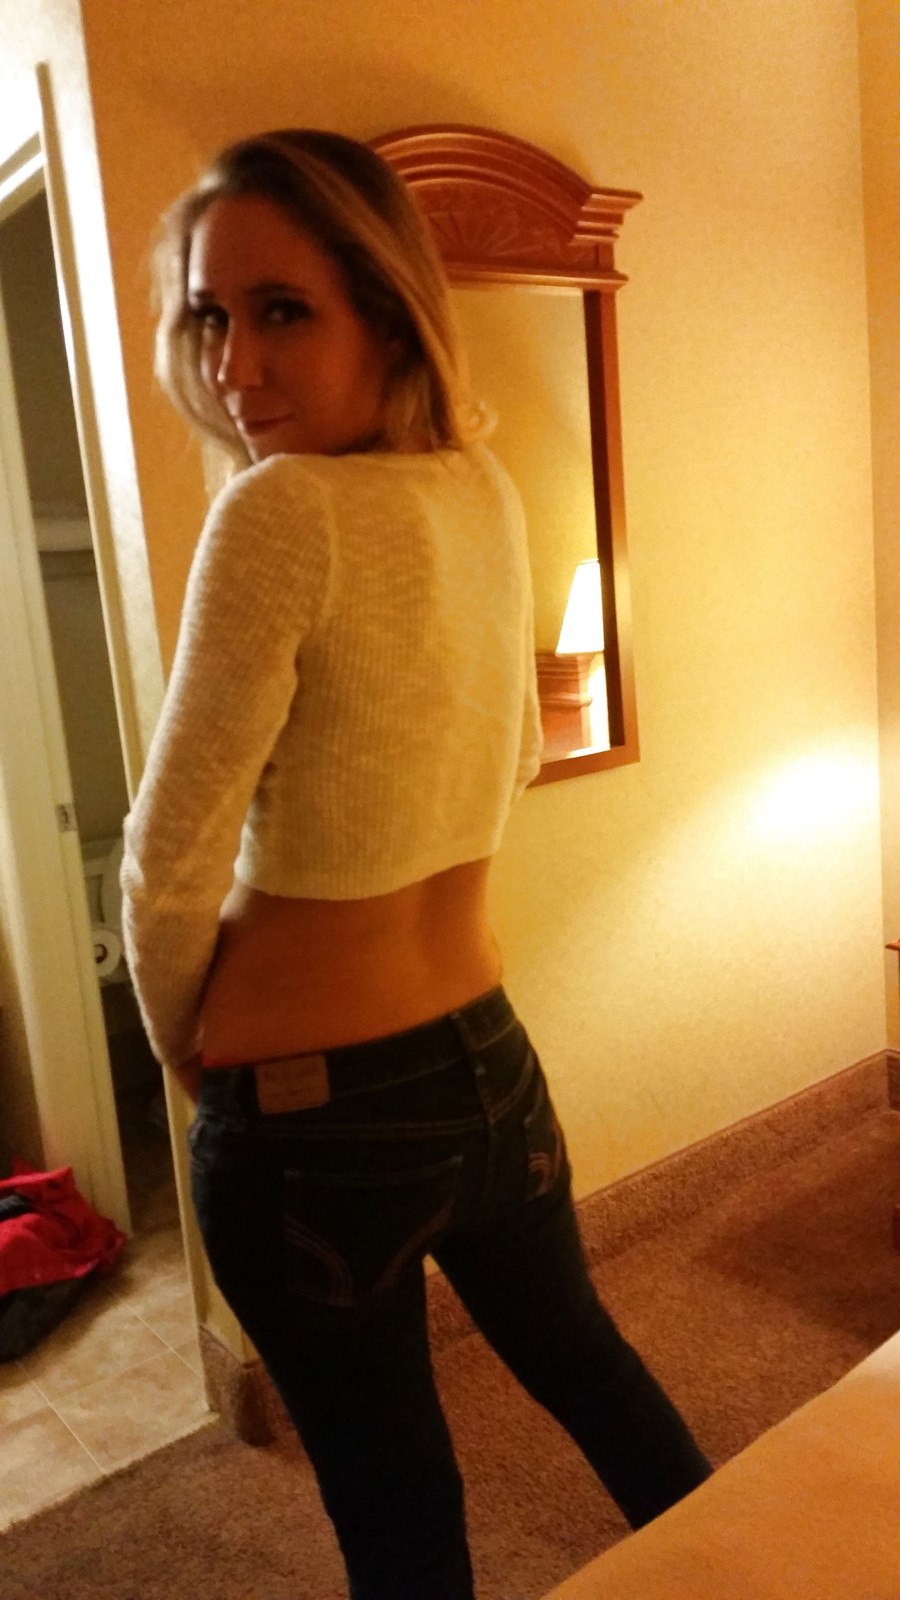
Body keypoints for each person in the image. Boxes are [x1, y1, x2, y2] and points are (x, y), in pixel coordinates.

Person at [122, 128, 711, 1600]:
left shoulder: (277, 513)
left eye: (282, 310)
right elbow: (511, 754)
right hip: (488, 1066)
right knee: (595, 1375)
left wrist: (186, 1051)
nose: (237, 365)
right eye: (212, 316)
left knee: (397, 1501)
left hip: (313, 1117)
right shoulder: (482, 489)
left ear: (387, 314)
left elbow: (164, 863)